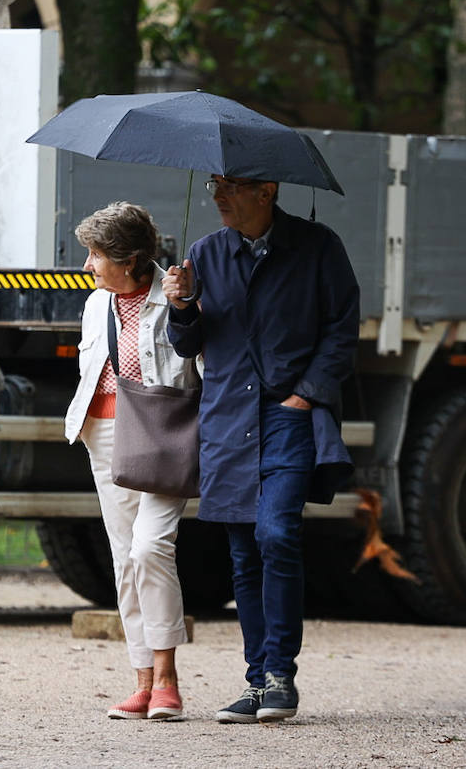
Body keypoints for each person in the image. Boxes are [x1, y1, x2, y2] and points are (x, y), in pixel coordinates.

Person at [163, 174, 359, 724]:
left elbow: (342, 328)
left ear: (266, 191)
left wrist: (305, 395)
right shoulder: (205, 253)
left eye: (231, 186)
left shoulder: (318, 247)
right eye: (214, 185)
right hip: (228, 418)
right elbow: (187, 344)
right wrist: (182, 305)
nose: (217, 196)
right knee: (244, 553)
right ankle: (257, 682)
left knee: (276, 532)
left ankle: (280, 676)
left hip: (287, 415)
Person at [64, 202, 200, 721]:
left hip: (163, 435)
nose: (88, 265)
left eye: (96, 255)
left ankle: (168, 681)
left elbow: (205, 366)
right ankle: (142, 681)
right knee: (124, 558)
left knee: (150, 547)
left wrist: (185, 307)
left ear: (130, 259)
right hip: (104, 434)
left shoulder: (176, 296)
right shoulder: (96, 302)